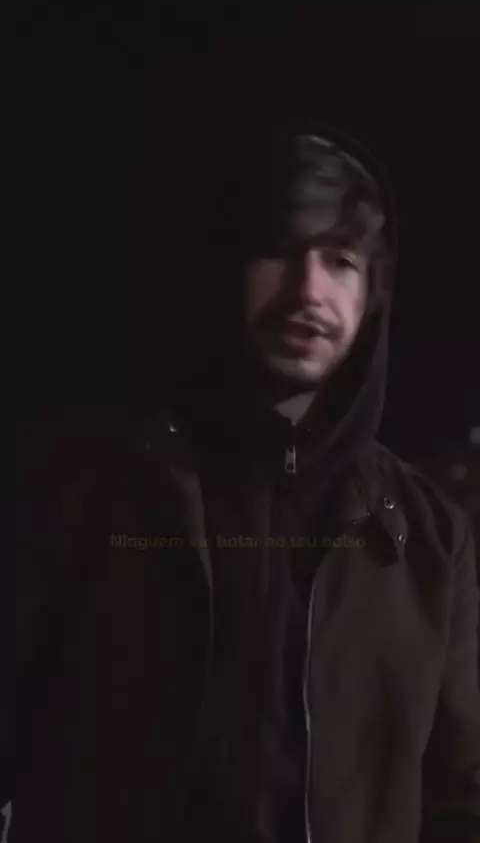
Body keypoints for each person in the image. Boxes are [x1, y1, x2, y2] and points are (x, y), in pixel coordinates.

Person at [13, 123, 480, 843]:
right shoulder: (86, 489)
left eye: (341, 260)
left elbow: (460, 794)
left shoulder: (430, 535)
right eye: (279, 248)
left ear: (374, 293)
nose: (309, 289)